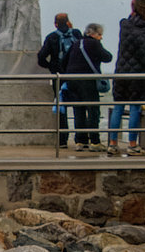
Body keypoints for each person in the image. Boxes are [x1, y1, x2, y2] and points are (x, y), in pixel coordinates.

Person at [109, 0, 145, 156]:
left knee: (118, 107)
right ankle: (132, 144)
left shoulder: (124, 26)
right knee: (134, 108)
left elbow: (131, 19)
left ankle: (112, 144)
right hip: (137, 75)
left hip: (121, 72)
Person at [37, 13, 83, 148]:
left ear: (55, 23)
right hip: (76, 76)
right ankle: (80, 140)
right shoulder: (76, 34)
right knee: (78, 107)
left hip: (59, 76)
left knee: (61, 108)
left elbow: (41, 57)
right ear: (68, 22)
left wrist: (51, 66)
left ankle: (63, 140)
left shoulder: (52, 37)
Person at [63, 23, 112, 152]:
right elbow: (108, 57)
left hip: (72, 80)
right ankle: (94, 141)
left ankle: (80, 141)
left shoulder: (76, 43)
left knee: (78, 110)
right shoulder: (94, 44)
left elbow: (64, 61)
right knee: (93, 110)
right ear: (92, 34)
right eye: (99, 34)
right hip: (88, 81)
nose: (101, 37)